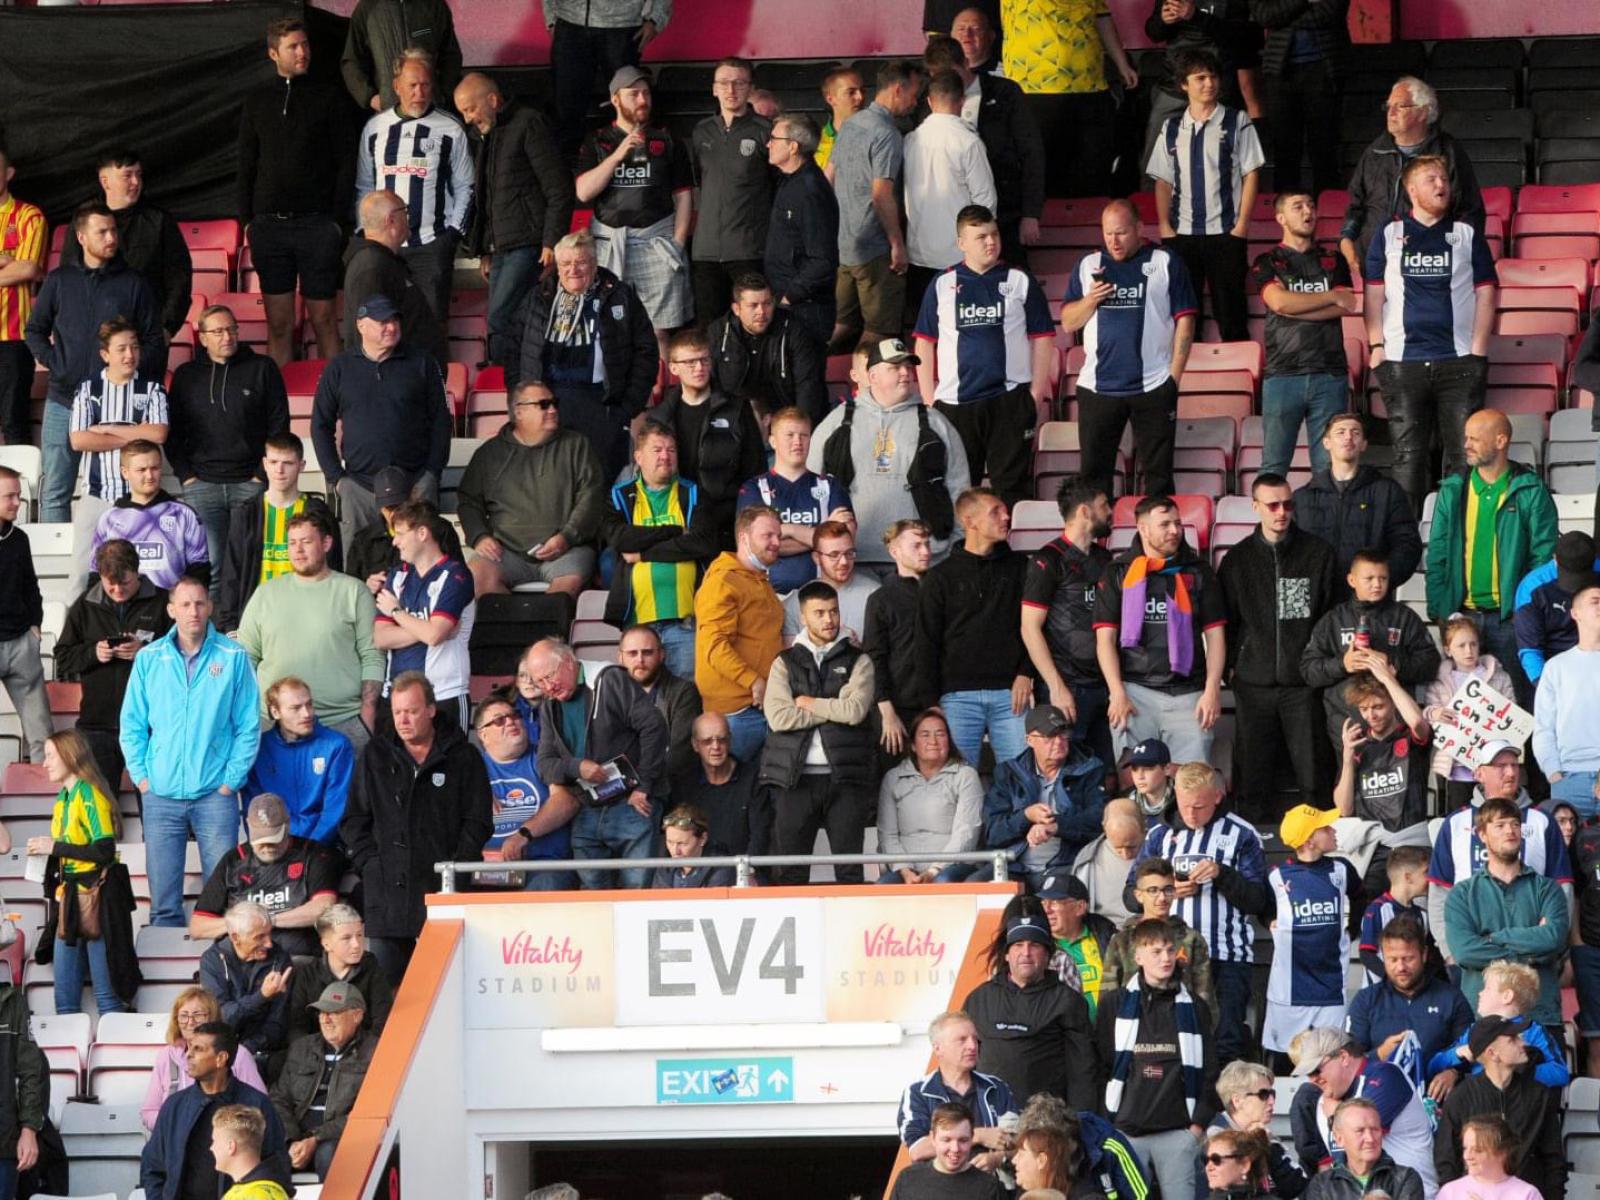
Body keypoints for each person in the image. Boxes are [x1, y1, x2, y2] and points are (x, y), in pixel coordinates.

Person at [121, 576, 260, 927]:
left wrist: (231, 782)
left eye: (199, 603)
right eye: (184, 604)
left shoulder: (233, 656)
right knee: (163, 906)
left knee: (221, 900)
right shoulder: (149, 658)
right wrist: (142, 778)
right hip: (161, 794)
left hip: (216, 794)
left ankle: (218, 973)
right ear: (171, 610)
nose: (193, 611)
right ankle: (166, 976)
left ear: (210, 607)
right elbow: (132, 725)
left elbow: (248, 726)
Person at [1365, 157, 1498, 516]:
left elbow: (1487, 291)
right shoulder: (1388, 233)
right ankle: (1408, 546)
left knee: (1464, 454)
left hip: (1458, 361)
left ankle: (1461, 534)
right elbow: (1373, 293)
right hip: (1401, 363)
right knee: (1408, 457)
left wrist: (1478, 348)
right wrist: (1376, 346)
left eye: (1444, 177)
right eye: (1431, 179)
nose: (1442, 184)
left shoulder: (1466, 234)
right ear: (1411, 190)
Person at [342, 672, 492, 984]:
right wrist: (371, 863)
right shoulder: (375, 755)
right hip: (386, 896)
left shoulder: (463, 756)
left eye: (411, 711)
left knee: (447, 987)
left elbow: (478, 821)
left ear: (431, 709)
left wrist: (456, 866)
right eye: (397, 712)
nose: (403, 720)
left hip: (444, 893)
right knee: (391, 996)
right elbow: (354, 820)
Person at [24, 201, 161, 523]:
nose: (111, 237)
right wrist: (57, 363)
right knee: (55, 489)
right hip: (64, 399)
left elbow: (154, 339)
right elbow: (34, 330)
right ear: (82, 237)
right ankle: (61, 567)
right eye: (102, 231)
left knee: (120, 488)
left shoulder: (134, 283)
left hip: (117, 404)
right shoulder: (59, 280)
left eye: (113, 230)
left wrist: (133, 380)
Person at [1127, 763, 1269, 1065]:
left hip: (1225, 956)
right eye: (1184, 805)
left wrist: (1222, 874)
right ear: (1174, 794)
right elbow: (1130, 895)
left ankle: (1224, 1110)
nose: (1191, 814)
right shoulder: (1158, 835)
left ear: (1218, 796)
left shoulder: (1242, 834)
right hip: (1170, 957)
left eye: (1200, 806)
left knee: (1226, 1040)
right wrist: (1167, 890)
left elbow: (1259, 901)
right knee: (1171, 1041)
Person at [1218, 473, 1340, 821]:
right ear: (1255, 507)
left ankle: (1321, 845)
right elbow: (1224, 621)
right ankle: (1252, 845)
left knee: (1313, 774)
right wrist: (1232, 666)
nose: (1281, 512)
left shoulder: (1318, 554)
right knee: (1253, 774)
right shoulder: (1237, 560)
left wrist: (1320, 666)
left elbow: (1331, 616)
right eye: (1272, 505)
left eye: (1287, 504)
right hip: (1253, 684)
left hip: (1304, 684)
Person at [912, 206, 1050, 509]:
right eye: (981, 237)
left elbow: (1042, 338)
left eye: (994, 234)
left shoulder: (1019, 280)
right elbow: (924, 343)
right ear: (961, 243)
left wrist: (1036, 393)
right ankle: (963, 554)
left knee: (1011, 491)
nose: (990, 242)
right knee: (960, 491)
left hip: (1010, 400)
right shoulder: (942, 284)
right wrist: (928, 400)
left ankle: (1011, 553)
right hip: (956, 405)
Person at [1060, 200, 1197, 500]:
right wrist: (1090, 300)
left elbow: (1185, 320)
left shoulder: (1165, 261)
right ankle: (1095, 542)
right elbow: (1068, 323)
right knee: (1094, 477)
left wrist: (1173, 377)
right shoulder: (1088, 265)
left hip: (1153, 384)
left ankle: (1158, 543)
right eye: (1107, 234)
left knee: (1158, 476)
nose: (1113, 241)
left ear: (1139, 229)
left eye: (1121, 233)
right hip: (1097, 386)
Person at [236, 17, 352, 364]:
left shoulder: (329, 96)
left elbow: (346, 162)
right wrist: (247, 222)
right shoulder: (256, 101)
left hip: (318, 227)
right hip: (270, 228)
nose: (302, 52)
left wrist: (336, 221)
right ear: (274, 53)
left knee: (324, 320)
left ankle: (337, 405)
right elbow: (246, 164)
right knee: (280, 324)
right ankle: (282, 411)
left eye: (305, 45)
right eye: (293, 47)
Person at [1425, 409, 1556, 705]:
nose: (1466, 444)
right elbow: (1438, 553)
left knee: (1522, 706)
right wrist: (1440, 609)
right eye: (1465, 438)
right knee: (1462, 712)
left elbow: (1543, 558)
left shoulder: (1530, 490)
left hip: (1511, 620)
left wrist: (1525, 611)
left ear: (1500, 440)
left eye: (1474, 438)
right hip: (1462, 616)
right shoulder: (1454, 489)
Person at [506, 228, 658, 483]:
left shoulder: (620, 296)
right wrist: (521, 398)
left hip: (601, 404)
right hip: (547, 403)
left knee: (598, 482)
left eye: (581, 262)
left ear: (595, 264)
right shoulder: (538, 297)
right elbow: (512, 348)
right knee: (551, 482)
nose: (572, 270)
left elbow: (647, 352)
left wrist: (627, 407)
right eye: (565, 263)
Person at [810, 337, 971, 567]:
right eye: (895, 367)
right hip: (853, 558)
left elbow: (959, 487)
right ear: (872, 376)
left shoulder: (935, 422)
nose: (905, 373)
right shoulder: (837, 421)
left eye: (908, 366)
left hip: (920, 559)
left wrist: (954, 543)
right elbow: (812, 484)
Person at [452, 72, 574, 367]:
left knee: (499, 316)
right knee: (510, 316)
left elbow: (559, 188)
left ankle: (501, 377)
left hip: (529, 242)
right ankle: (516, 377)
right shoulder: (488, 136)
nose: (468, 119)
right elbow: (487, 199)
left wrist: (551, 241)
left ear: (493, 100)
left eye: (470, 109)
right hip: (502, 247)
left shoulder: (528, 123)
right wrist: (484, 250)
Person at [311, 294, 451, 550]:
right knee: (357, 567)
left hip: (415, 483)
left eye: (395, 320)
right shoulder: (339, 368)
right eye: (382, 321)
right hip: (360, 486)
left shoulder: (422, 363)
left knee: (424, 562)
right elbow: (320, 425)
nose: (392, 327)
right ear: (361, 325)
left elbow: (441, 420)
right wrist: (337, 479)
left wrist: (432, 472)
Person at [237, 509, 384, 748]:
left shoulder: (354, 591)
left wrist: (367, 715)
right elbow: (245, 657)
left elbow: (372, 655)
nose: (298, 549)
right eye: (292, 543)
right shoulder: (266, 593)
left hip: (342, 722)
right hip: (272, 726)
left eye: (306, 541)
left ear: (326, 543)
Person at [760, 581, 875, 885]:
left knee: (849, 871)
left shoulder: (858, 659)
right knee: (790, 872)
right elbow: (779, 717)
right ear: (803, 617)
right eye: (820, 612)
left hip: (846, 778)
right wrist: (832, 709)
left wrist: (810, 703)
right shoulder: (783, 662)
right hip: (794, 779)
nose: (829, 619)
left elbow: (855, 711)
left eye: (834, 611)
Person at [1095, 496, 1227, 763]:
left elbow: (1215, 637)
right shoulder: (1117, 572)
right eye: (1164, 524)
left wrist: (1212, 690)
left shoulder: (1199, 571)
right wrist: (1117, 692)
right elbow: (1105, 640)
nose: (1174, 531)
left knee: (1190, 783)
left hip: (1190, 694)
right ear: (1143, 529)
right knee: (1135, 781)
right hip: (1134, 692)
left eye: (1177, 523)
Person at [1095, 918, 1219, 1200]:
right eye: (1156, 951)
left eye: (1169, 950)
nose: (1165, 958)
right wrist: (1108, 1127)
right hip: (1126, 1133)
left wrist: (1196, 1129)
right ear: (1138, 956)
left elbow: (1211, 1071)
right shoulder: (1114, 1004)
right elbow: (1101, 1066)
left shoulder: (1195, 1006)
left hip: (1178, 1134)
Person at [531, 640, 669, 890]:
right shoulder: (549, 706)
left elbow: (654, 726)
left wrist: (644, 785)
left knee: (636, 891)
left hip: (632, 802)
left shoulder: (609, 679)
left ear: (569, 661)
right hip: (587, 807)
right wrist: (577, 767)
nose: (548, 686)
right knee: (593, 895)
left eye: (550, 676)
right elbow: (544, 765)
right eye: (540, 682)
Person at [1147, 49, 1263, 344]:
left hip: (1226, 233)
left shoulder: (1237, 121)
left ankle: (1238, 380)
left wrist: (1241, 227)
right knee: (1185, 316)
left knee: (1232, 316)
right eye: (1200, 78)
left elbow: (1251, 173)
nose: (1209, 83)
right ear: (1184, 84)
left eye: (1213, 76)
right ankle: (1187, 382)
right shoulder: (1171, 127)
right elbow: (1162, 179)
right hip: (1182, 235)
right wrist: (1164, 227)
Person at [167, 306, 291, 585]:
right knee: (211, 568)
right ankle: (214, 628)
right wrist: (186, 476)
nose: (227, 336)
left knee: (251, 565)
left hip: (251, 483)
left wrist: (260, 474)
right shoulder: (187, 375)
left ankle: (248, 628)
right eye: (218, 331)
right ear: (203, 338)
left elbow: (279, 426)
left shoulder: (263, 368)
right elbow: (173, 431)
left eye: (232, 329)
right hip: (201, 486)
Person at [1427, 741, 1574, 970]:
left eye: (1515, 765)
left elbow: (1562, 890)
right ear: (1479, 773)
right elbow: (1439, 893)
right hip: (1470, 962)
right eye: (1501, 766)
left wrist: (1551, 947)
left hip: (1535, 963)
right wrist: (1449, 953)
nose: (1511, 772)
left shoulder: (1542, 820)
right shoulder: (1456, 823)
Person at [575, 66, 693, 350]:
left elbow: (685, 196)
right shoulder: (597, 140)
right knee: (607, 331)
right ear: (615, 99)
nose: (642, 100)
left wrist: (677, 243)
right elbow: (583, 192)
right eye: (634, 94)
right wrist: (618, 155)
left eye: (646, 93)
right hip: (609, 243)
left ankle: (659, 394)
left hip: (658, 243)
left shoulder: (666, 140)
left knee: (659, 334)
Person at [459, 379, 605, 599]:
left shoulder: (576, 445)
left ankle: (549, 634)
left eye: (554, 403)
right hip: (505, 551)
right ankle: (508, 633)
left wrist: (566, 537)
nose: (553, 410)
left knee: (565, 590)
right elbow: (469, 501)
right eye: (544, 404)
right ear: (519, 412)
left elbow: (591, 497)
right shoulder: (489, 454)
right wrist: (480, 536)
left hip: (567, 549)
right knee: (477, 577)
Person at [356, 50, 473, 322]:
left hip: (431, 246)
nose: (419, 92)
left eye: (425, 84)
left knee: (430, 326)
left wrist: (452, 236)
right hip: (383, 248)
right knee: (384, 323)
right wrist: (366, 233)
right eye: (412, 85)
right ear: (396, 86)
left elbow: (466, 186)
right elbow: (364, 186)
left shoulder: (451, 128)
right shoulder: (375, 129)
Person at [916, 489, 1029, 764]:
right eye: (995, 512)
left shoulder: (1021, 568)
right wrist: (931, 703)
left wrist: (1026, 673)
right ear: (970, 521)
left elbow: (1034, 627)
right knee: (955, 782)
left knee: (1021, 783)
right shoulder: (939, 578)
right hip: (957, 697)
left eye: (1005, 510)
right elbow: (926, 642)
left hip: (1010, 694)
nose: (1006, 516)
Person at [1251, 193, 1357, 477]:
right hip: (1283, 374)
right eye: (1298, 207)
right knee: (1274, 465)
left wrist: (1294, 307)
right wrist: (1329, 296)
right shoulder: (1267, 260)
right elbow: (1279, 303)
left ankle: (1326, 523)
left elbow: (1346, 305)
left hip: (1329, 373)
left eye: (1311, 205)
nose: (1308, 211)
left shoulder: (1333, 259)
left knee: (1329, 467)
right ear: (1281, 218)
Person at [1443, 797, 1571, 1030]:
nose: (1510, 831)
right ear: (1482, 834)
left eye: (1515, 824)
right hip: (1482, 1020)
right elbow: (1465, 952)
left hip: (1541, 1016)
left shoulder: (1547, 889)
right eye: (1500, 825)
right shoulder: (1461, 894)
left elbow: (1554, 940)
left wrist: (1494, 938)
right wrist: (1531, 952)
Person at [920, 35, 1045, 270]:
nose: (949, 83)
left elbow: (1032, 153)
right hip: (948, 221)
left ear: (966, 63)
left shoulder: (1006, 93)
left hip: (1005, 215)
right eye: (940, 77)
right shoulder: (927, 102)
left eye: (953, 75)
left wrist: (1031, 213)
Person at [1339, 77, 1485, 277]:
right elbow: (1355, 205)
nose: (1391, 113)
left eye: (1400, 107)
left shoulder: (1448, 152)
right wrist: (1346, 238)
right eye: (1389, 106)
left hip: (1427, 266)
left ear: (1423, 112)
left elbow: (1468, 213)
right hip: (1375, 264)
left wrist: (1446, 251)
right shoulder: (1374, 152)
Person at [31, 730, 132, 1015]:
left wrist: (55, 847)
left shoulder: (89, 795)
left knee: (107, 995)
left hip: (97, 897)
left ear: (70, 756)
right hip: (71, 896)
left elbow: (104, 851)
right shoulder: (63, 797)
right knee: (64, 999)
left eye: (50, 756)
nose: (44, 763)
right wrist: (48, 851)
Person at [962, 902, 1099, 1112]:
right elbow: (961, 1061)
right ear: (1007, 954)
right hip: (989, 1122)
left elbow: (1083, 1071)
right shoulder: (979, 999)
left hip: (1045, 1123)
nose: (1026, 952)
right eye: (1018, 945)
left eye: (1034, 945)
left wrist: (1081, 1122)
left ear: (1048, 955)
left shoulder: (1067, 1001)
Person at [55, 538, 171, 784]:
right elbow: (63, 657)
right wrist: (93, 654)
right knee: (99, 811)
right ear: (101, 577)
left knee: (155, 807)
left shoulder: (163, 603)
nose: (118, 590)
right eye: (111, 585)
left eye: (125, 583)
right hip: (97, 726)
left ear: (137, 571)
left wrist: (146, 652)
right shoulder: (85, 606)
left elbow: (184, 658)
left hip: (151, 725)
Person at [68, 316, 170, 593]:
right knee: (81, 575)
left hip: (141, 500)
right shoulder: (88, 389)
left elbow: (159, 434)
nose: (130, 355)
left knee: (144, 574)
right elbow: (79, 439)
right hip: (97, 495)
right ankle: (73, 635)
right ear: (105, 355)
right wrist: (137, 432)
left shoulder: (152, 389)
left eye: (135, 347)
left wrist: (108, 429)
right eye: (122, 348)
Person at [1021, 480, 1116, 778]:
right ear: (1085, 512)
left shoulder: (1105, 560)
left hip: (1103, 686)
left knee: (1106, 774)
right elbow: (1030, 628)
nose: (1111, 512)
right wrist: (1056, 686)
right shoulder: (1048, 559)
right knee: (1064, 774)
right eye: (1104, 506)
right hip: (1066, 686)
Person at [827, 60, 925, 351]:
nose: (916, 101)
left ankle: (801, 363)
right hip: (874, 247)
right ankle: (865, 388)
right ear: (898, 90)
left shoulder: (849, 125)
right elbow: (881, 194)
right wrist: (897, 243)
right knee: (881, 333)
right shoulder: (887, 134)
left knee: (841, 325)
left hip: (846, 245)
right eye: (914, 93)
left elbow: (827, 177)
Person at [994, 0, 1136, 199]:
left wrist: (1122, 64)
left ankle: (1088, 226)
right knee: (1041, 173)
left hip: (1090, 87)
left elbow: (1102, 18)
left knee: (1091, 173)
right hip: (1033, 89)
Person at [1300, 549, 1440, 750]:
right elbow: (1308, 670)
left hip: (1395, 728)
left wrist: (1392, 664)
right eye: (1369, 578)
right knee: (1350, 780)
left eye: (1383, 578)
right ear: (1351, 580)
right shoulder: (1333, 620)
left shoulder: (1404, 618)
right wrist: (1343, 664)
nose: (1377, 584)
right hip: (1348, 727)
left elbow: (1430, 663)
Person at [58, 148, 189, 356]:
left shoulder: (159, 221)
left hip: (145, 338)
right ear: (105, 181)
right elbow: (68, 281)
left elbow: (179, 280)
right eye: (127, 175)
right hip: (94, 340)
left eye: (139, 175)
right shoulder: (83, 220)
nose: (136, 182)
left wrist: (166, 328)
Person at [141, 1021, 289, 1200]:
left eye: (198, 1049)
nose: (189, 1055)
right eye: (189, 1048)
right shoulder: (174, 1106)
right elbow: (153, 1167)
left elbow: (276, 1167)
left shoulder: (257, 1105)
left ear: (221, 1058)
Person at [217, 432, 340, 634]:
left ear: (302, 465)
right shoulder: (246, 513)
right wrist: (230, 626)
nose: (279, 470)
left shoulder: (318, 512)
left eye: (288, 463)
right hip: (258, 620)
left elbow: (334, 566)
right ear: (265, 464)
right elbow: (232, 572)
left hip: (308, 620)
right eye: (273, 462)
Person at [1287, 1029, 1437, 1194]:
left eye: (1316, 1070)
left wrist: (1335, 1113)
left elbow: (1359, 1126)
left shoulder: (1386, 1075)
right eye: (1309, 1074)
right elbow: (1329, 1166)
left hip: (1408, 1192)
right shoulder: (1324, 1098)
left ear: (1343, 1057)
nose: (1313, 1079)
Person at [190, 794, 339, 959]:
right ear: (248, 826)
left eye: (274, 839)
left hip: (298, 959)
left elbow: (324, 908)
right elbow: (198, 927)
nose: (267, 847)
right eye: (260, 840)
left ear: (287, 825)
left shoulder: (312, 854)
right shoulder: (232, 861)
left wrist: (269, 919)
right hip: (244, 963)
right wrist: (244, 923)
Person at [1265, 806, 1361, 1060]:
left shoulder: (1341, 869)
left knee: (1331, 1060)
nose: (1333, 829)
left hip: (1331, 987)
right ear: (1309, 840)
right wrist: (1270, 922)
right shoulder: (1277, 876)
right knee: (1285, 1063)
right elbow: (1262, 907)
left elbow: (1362, 897)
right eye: (1325, 827)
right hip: (1288, 991)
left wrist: (1352, 929)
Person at [1434, 1018, 1564, 1200]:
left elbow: (1554, 1159)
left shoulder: (1539, 1095)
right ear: (1492, 1053)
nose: (1523, 1043)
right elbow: (1447, 1160)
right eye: (1513, 1039)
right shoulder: (1461, 1097)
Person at [694, 505, 785, 763]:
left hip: (759, 707)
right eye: (767, 535)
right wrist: (753, 681)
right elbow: (714, 646)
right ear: (744, 537)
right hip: (737, 712)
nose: (776, 542)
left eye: (779, 536)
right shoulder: (723, 581)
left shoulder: (756, 578)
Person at [1292, 413, 1423, 593]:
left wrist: (1377, 581)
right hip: (1315, 602)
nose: (1348, 437)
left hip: (1368, 604)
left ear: (1364, 444)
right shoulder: (1302, 497)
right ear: (1326, 442)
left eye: (1355, 432)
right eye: (1340, 432)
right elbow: (1288, 551)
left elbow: (1407, 545)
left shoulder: (1387, 492)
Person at [373, 500, 476, 727]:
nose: (394, 541)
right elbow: (381, 638)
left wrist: (397, 612)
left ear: (422, 533)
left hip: (443, 694)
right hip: (396, 695)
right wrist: (429, 628)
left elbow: (434, 635)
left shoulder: (455, 575)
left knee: (449, 763)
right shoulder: (397, 576)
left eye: (400, 533)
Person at [985, 705, 1108, 892]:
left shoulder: (1088, 768)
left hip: (1066, 867)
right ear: (1029, 740)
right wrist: (1026, 816)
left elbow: (1099, 820)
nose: (1058, 741)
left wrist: (1056, 826)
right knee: (973, 887)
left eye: (1063, 734)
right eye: (1049, 736)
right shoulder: (1009, 773)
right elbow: (993, 833)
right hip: (1014, 868)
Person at [904, 72, 998, 313]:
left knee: (926, 332)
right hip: (960, 257)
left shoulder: (911, 141)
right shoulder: (968, 142)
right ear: (962, 100)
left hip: (918, 253)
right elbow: (985, 202)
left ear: (929, 101)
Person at [688, 57, 773, 321]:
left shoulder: (765, 131)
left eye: (739, 83)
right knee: (709, 329)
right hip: (705, 252)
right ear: (714, 89)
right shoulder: (701, 131)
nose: (731, 90)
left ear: (750, 88)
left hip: (749, 250)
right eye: (724, 83)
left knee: (753, 327)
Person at [1346, 915, 1472, 1090]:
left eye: (1408, 958)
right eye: (1393, 959)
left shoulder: (1451, 997)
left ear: (1424, 954)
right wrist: (1380, 1053)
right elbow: (1349, 1062)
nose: (1400, 967)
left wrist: (1454, 1073)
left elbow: (1470, 1049)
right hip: (1379, 1096)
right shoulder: (1366, 1000)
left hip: (1437, 1098)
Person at [738, 406, 853, 595]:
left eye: (804, 435)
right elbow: (755, 546)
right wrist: (822, 536)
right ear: (773, 441)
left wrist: (790, 530)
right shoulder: (754, 488)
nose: (797, 442)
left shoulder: (830, 486)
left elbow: (844, 542)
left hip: (824, 596)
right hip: (770, 597)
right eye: (789, 435)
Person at [657, 325, 768, 515]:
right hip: (675, 517)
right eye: (690, 362)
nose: (699, 368)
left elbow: (755, 472)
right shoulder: (660, 417)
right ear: (673, 368)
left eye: (704, 360)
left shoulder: (737, 409)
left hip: (725, 517)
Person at [271, 981, 376, 1179]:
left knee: (328, 1153)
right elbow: (278, 1098)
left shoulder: (375, 1052)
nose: (326, 1019)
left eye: (334, 1012)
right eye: (321, 1012)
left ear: (357, 1015)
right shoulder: (302, 1048)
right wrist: (291, 1139)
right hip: (295, 1137)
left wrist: (316, 1138)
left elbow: (367, 1112)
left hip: (338, 1139)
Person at [474, 692, 577, 892]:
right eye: (499, 720)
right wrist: (476, 795)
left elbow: (566, 802)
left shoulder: (542, 756)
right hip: (489, 871)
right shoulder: (472, 769)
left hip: (543, 867)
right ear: (482, 734)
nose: (511, 722)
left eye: (515, 715)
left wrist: (523, 835)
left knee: (544, 887)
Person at [544, 0, 670, 160]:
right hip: (569, 24)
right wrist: (551, 18)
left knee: (628, 107)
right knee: (566, 107)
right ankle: (572, 174)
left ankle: (633, 172)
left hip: (622, 26)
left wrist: (655, 19)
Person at [1252, 0, 1349, 196]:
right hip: (1279, 71)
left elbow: (1331, 12)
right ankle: (1286, 215)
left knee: (1324, 148)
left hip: (1324, 68)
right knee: (1285, 149)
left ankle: (1328, 215)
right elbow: (1265, 15)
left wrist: (1284, 18)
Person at [1425, 960, 1569, 1093]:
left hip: (1521, 1109)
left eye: (1487, 989)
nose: (1480, 993)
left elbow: (1560, 1073)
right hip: (1477, 1106)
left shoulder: (1534, 1031)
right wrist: (1459, 1053)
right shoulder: (1475, 1031)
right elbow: (1433, 1065)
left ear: (1507, 996)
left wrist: (1512, 1071)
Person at [243, 678, 356, 847]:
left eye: (309, 704)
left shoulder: (336, 746)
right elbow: (255, 809)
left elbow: (336, 808)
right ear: (275, 712)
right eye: (296, 708)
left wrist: (308, 848)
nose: (307, 713)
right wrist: (276, 843)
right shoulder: (258, 750)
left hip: (323, 847)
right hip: (274, 846)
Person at [340, 190, 448, 366]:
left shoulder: (384, 261)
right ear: (391, 220)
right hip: (395, 385)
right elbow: (374, 337)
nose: (408, 218)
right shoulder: (372, 267)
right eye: (405, 212)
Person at [898, 1011, 1017, 1169]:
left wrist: (999, 1158)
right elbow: (917, 1150)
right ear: (938, 1048)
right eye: (962, 1040)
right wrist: (978, 1136)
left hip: (989, 1187)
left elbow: (1020, 1143)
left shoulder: (996, 1087)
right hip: (940, 1190)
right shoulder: (918, 1092)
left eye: (975, 1039)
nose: (972, 1046)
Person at [878, 709, 984, 885]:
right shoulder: (893, 778)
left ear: (949, 742)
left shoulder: (965, 775)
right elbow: (887, 835)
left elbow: (966, 833)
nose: (933, 741)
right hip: (905, 869)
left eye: (940, 734)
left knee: (943, 881)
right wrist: (905, 871)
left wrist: (935, 870)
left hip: (952, 867)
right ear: (912, 745)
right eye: (925, 735)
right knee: (884, 885)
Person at [141, 987, 267, 1133]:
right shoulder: (165, 1056)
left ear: (212, 1018)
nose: (190, 1022)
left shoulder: (239, 1055)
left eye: (198, 1015)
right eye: (183, 1016)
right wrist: (176, 1125)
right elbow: (148, 1112)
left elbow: (259, 1110)